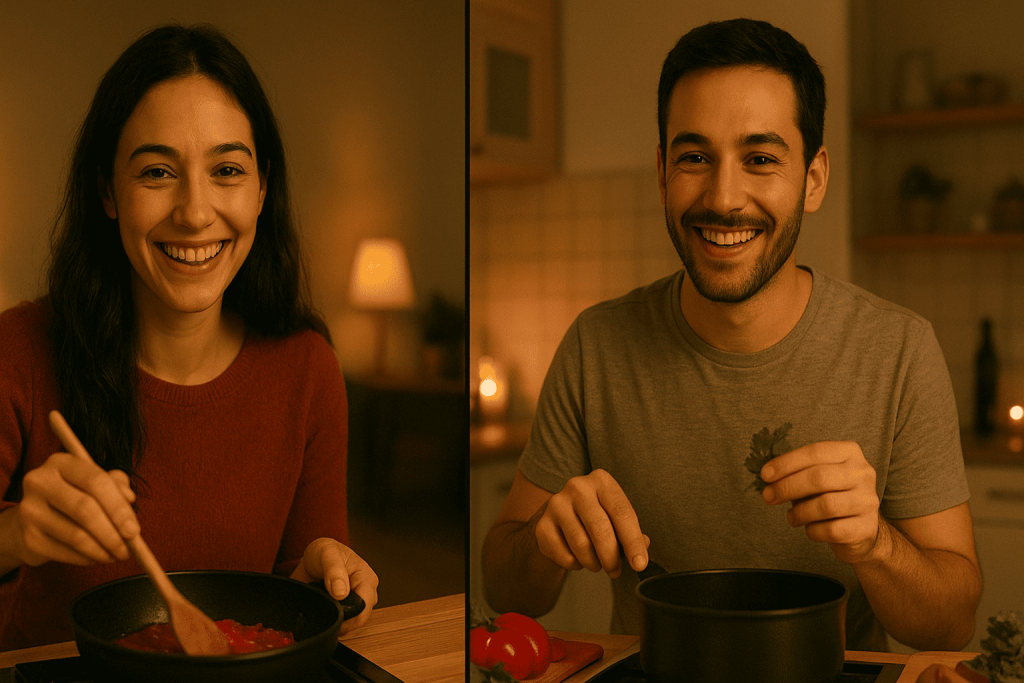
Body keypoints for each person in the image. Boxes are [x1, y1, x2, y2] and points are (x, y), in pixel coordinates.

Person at [481, 18, 981, 652]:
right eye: (694, 157)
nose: (723, 196)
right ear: (662, 173)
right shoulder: (595, 346)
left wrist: (875, 543)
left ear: (815, 177)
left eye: (761, 159)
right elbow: (506, 590)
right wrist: (543, 541)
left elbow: (951, 625)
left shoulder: (901, 351)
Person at [0, 23, 378, 650]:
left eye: (227, 168)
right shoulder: (21, 349)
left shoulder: (308, 369)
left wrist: (326, 584)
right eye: (156, 172)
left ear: (262, 190)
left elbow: (296, 587)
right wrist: (13, 537)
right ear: (107, 191)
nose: (196, 212)